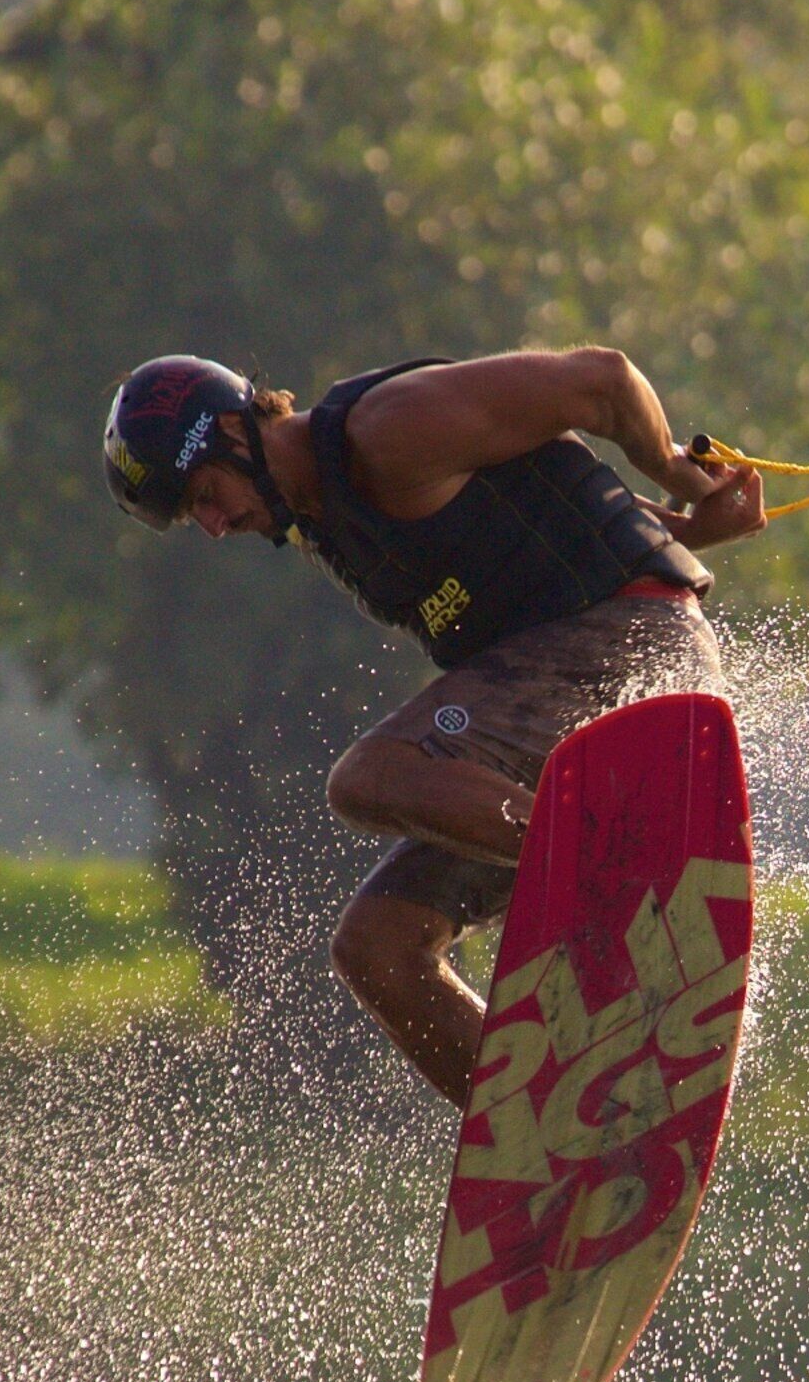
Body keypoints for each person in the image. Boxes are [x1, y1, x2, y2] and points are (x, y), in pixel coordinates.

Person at [98, 348, 767, 1108]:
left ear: (231, 429)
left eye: (205, 494)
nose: (214, 526)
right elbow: (548, 507)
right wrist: (690, 530)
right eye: (194, 519)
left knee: (368, 777)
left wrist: (680, 476)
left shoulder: (388, 432)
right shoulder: (326, 517)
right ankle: (555, 1123)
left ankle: (611, 870)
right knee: (379, 947)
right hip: (561, 701)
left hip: (630, 647)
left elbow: (604, 382)